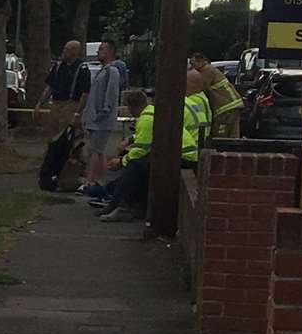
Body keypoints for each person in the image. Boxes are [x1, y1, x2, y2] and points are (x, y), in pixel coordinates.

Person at [97, 72, 205, 222]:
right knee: (139, 166)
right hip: (185, 155)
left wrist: (120, 162)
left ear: (131, 108)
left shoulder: (145, 119)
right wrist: (130, 140)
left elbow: (140, 150)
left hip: (182, 158)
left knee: (134, 167)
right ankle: (125, 204)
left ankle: (124, 207)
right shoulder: (152, 113)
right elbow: (147, 140)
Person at [80, 39, 124, 194]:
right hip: (94, 119)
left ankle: (90, 181)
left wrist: (103, 112)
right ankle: (101, 180)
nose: (98, 52)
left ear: (110, 52)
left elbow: (112, 94)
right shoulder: (102, 70)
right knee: (98, 151)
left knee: (94, 150)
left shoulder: (112, 71)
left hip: (102, 120)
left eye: (102, 49)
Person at [37, 39, 92, 130]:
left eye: (67, 49)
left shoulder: (82, 69)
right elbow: (50, 87)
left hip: (70, 105)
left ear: (75, 51)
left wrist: (77, 113)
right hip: (55, 105)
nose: (64, 52)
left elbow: (85, 93)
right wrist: (40, 103)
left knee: (64, 134)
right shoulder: (58, 66)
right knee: (52, 133)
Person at [190, 51, 243, 141]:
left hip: (225, 106)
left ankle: (220, 150)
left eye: (193, 63)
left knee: (220, 134)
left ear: (200, 61)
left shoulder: (207, 70)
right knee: (233, 134)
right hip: (233, 105)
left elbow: (199, 87)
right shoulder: (212, 70)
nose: (192, 67)